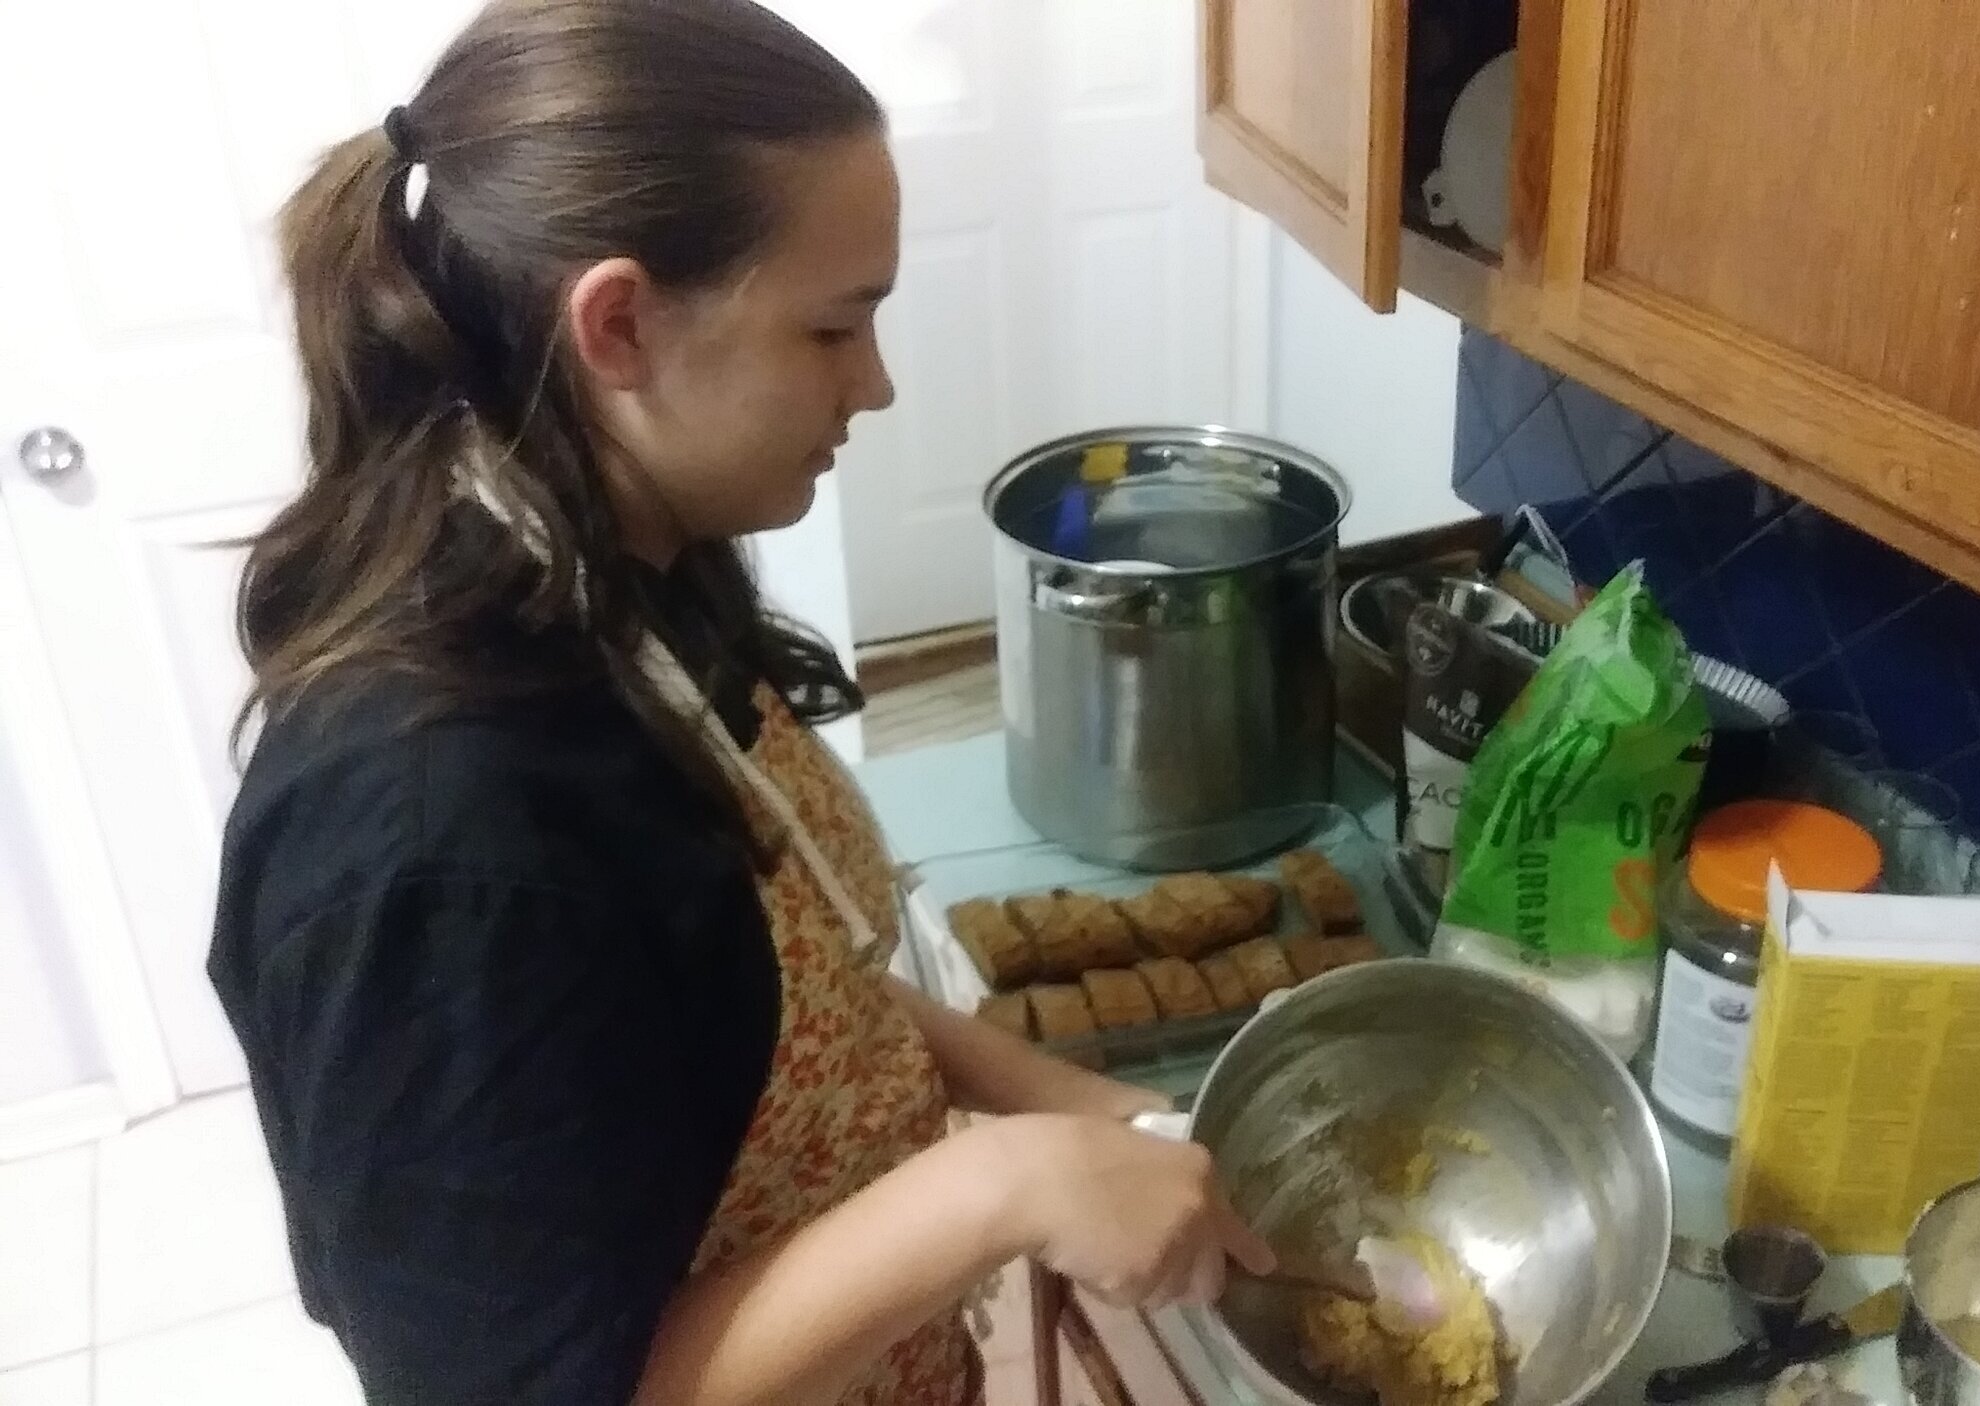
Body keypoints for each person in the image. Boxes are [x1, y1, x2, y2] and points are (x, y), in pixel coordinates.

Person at [206, 1, 1273, 1402]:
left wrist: (1055, 1098)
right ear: (621, 323)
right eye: (834, 327)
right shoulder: (435, 847)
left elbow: (772, 990)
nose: (875, 384)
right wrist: (998, 1189)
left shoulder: (626, 566)